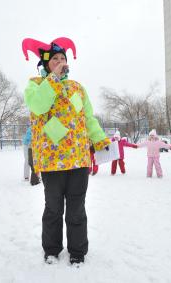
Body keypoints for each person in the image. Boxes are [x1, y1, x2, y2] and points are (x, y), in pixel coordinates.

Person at [22, 37, 110, 265]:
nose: (61, 62)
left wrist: (99, 139)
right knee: (53, 208)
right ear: (46, 64)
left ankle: (78, 251)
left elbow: (87, 118)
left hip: (78, 159)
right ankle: (51, 250)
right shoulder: (35, 85)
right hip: (51, 161)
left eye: (63, 58)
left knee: (77, 209)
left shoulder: (77, 88)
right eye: (55, 59)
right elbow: (39, 106)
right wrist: (53, 79)